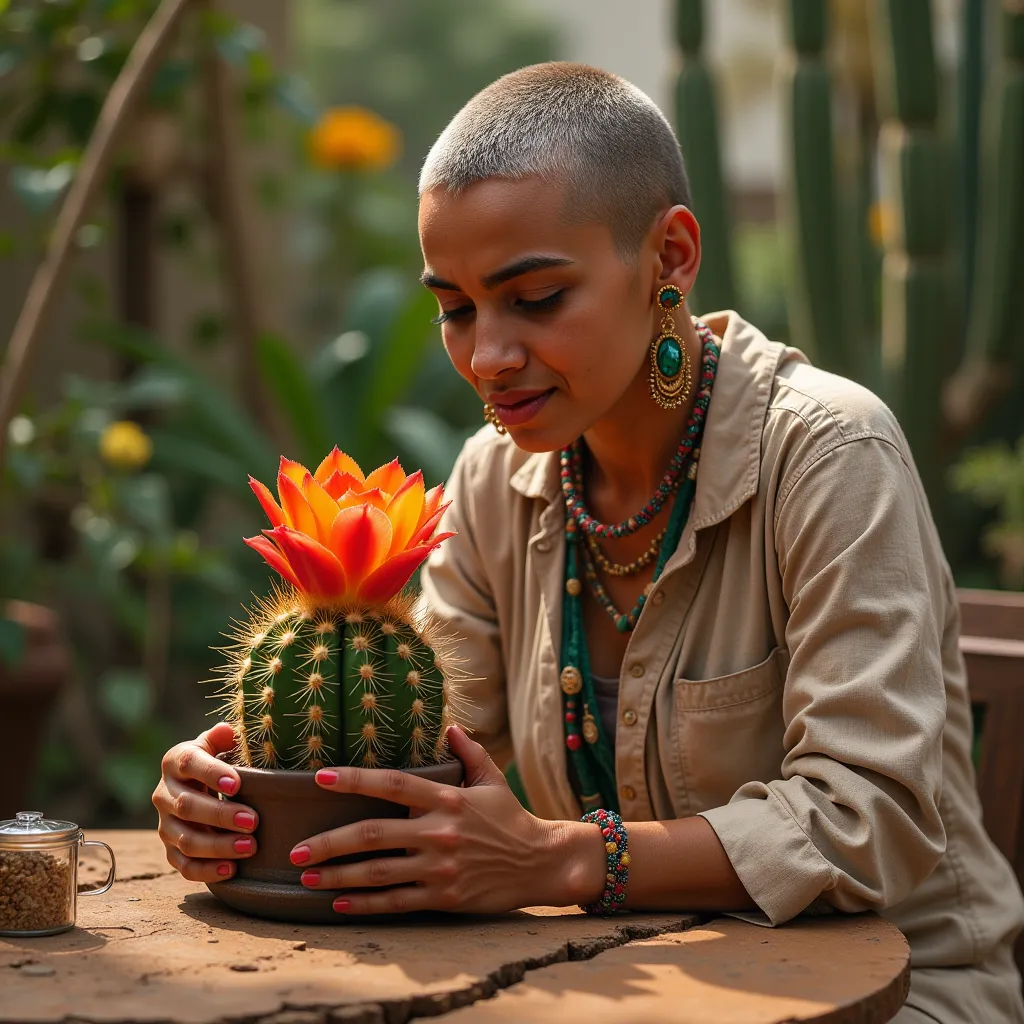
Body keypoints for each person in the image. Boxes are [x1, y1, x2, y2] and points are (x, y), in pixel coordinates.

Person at [152, 63, 1024, 1022]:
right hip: (628, 984)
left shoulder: (827, 455)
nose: (486, 356)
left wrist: (561, 856)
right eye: (455, 308)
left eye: (534, 299)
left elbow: (874, 822)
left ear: (672, 256)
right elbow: (424, 759)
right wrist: (241, 791)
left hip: (896, 993)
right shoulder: (496, 480)